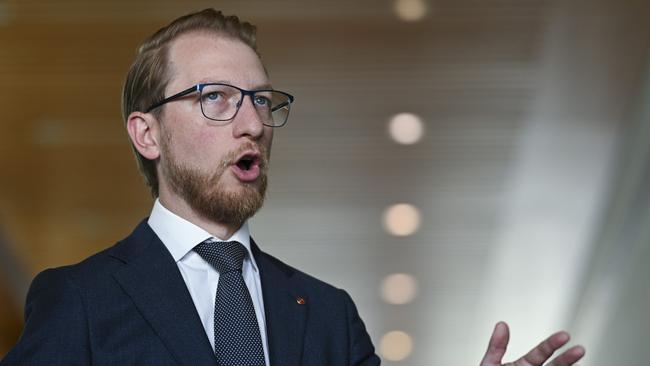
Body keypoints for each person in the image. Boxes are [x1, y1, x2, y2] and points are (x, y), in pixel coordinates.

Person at [1, 9, 585, 366]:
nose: (252, 122)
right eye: (216, 99)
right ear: (146, 133)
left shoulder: (328, 315)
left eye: (260, 99)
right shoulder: (79, 300)